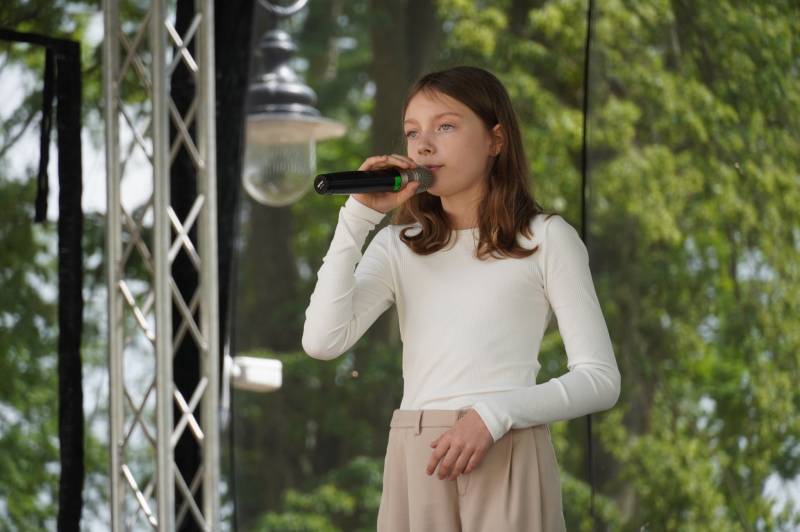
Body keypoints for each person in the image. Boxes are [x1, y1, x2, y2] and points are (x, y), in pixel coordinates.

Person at [301, 65, 621, 532]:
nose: (424, 145)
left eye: (445, 126)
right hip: (417, 456)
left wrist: (493, 415)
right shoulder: (397, 245)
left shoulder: (546, 238)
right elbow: (322, 341)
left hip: (506, 446)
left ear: (496, 140)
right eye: (413, 132)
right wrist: (357, 218)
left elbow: (600, 379)